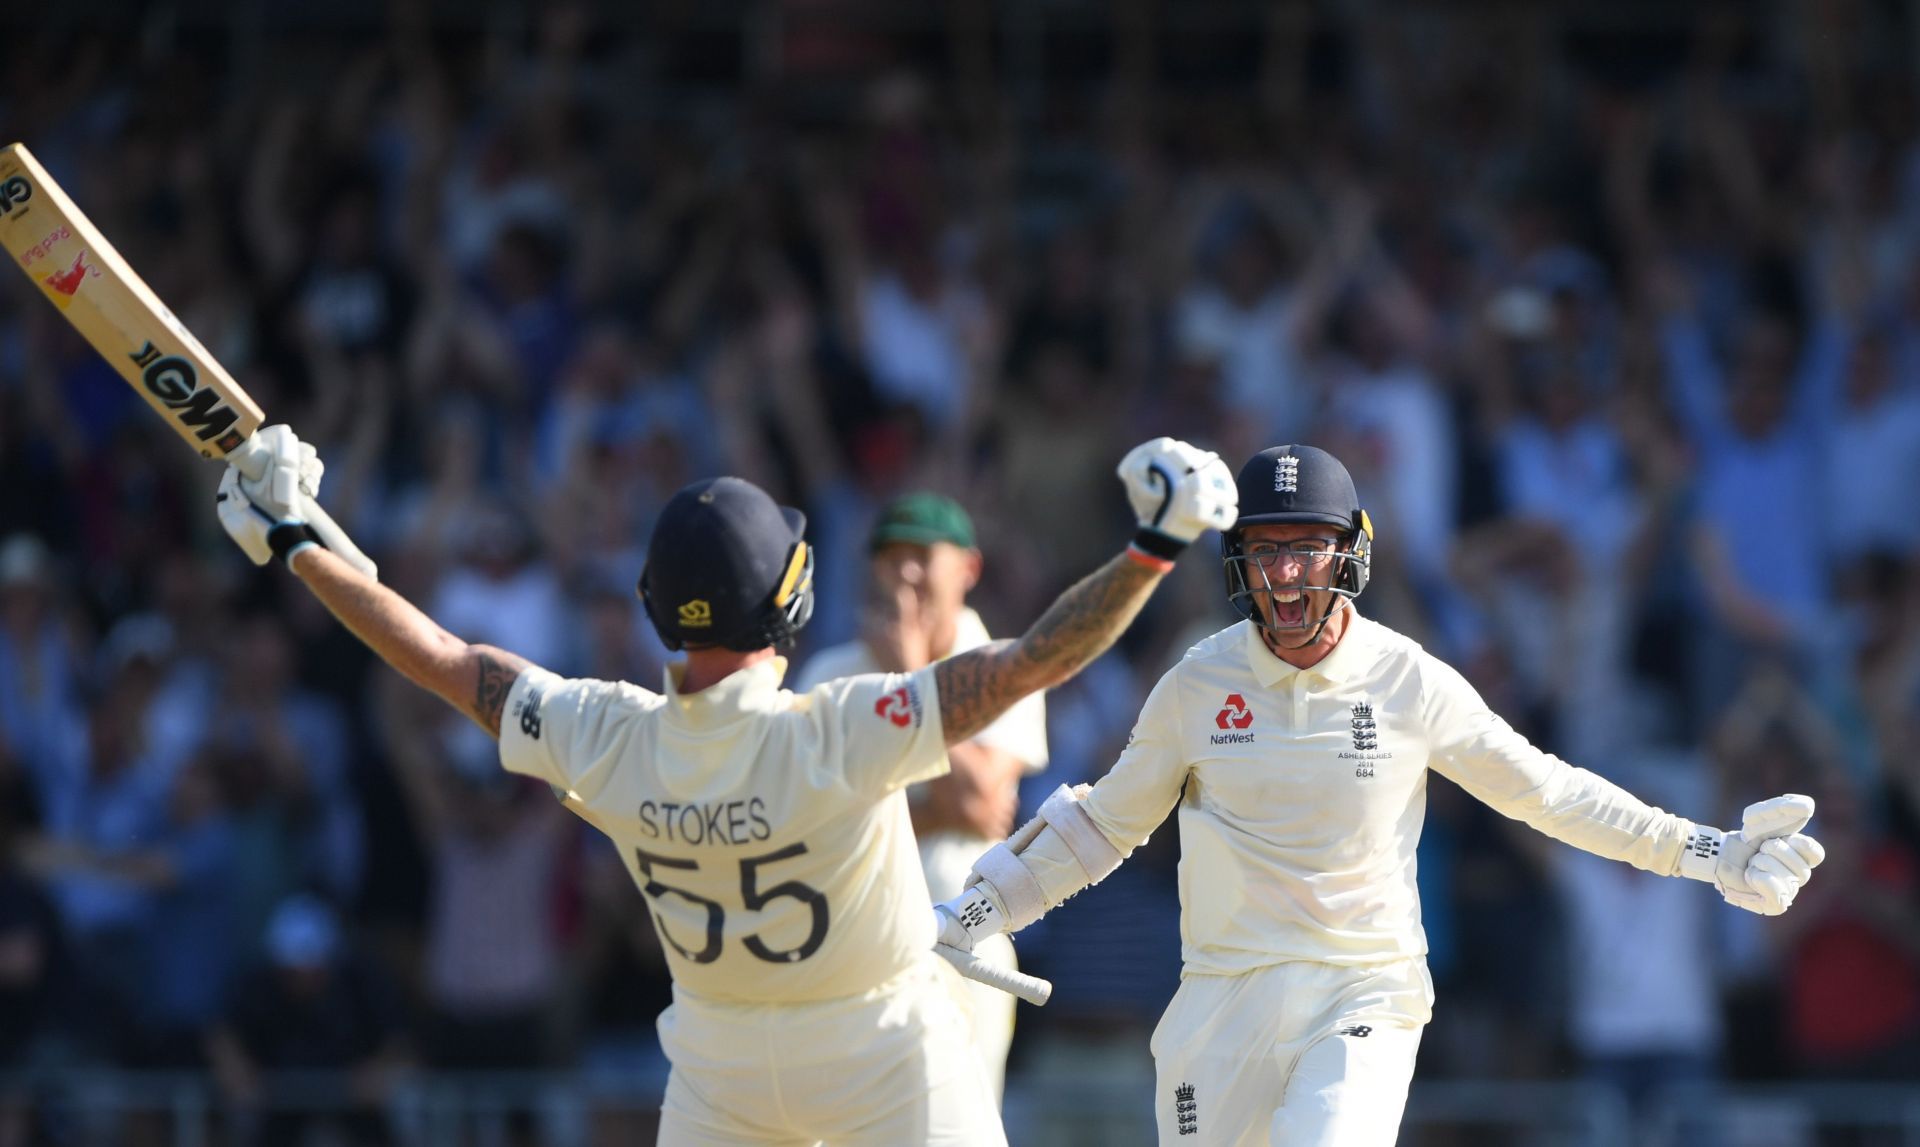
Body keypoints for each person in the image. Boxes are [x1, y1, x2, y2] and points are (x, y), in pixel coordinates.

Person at [212, 426, 1236, 1146]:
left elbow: (437, 655)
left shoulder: (601, 734)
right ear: (794, 603)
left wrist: (298, 540)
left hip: (719, 1068)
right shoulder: (839, 728)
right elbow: (1029, 664)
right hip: (882, 1048)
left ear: (656, 610)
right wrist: (1151, 548)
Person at [933, 443, 1828, 1147]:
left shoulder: (1408, 679)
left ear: (1350, 549)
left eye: (1307, 548)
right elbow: (1102, 825)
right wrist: (979, 907)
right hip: (1221, 1002)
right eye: (1265, 549)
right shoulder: (1195, 683)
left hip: (1361, 989)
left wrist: (1706, 850)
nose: (1285, 575)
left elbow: (1547, 792)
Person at [794, 492, 1049, 1103]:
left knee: (958, 1121)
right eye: (890, 556)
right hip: (849, 935)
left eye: (920, 555)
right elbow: (806, 824)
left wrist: (912, 679)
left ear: (967, 568)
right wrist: (931, 807)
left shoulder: (1002, 665)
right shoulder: (830, 675)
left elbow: (977, 799)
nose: (904, 572)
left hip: (966, 927)